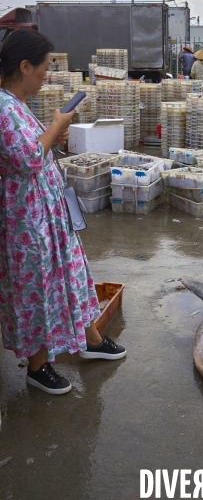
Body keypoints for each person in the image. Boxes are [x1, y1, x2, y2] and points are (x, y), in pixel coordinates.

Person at [0, 29, 126, 396]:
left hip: (44, 216)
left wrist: (50, 134)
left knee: (69, 276)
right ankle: (38, 367)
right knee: (36, 289)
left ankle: (90, 339)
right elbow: (25, 159)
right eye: (41, 70)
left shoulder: (15, 103)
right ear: (24, 67)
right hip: (26, 222)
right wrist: (56, 124)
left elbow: (28, 151)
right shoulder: (4, 107)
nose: (44, 77)